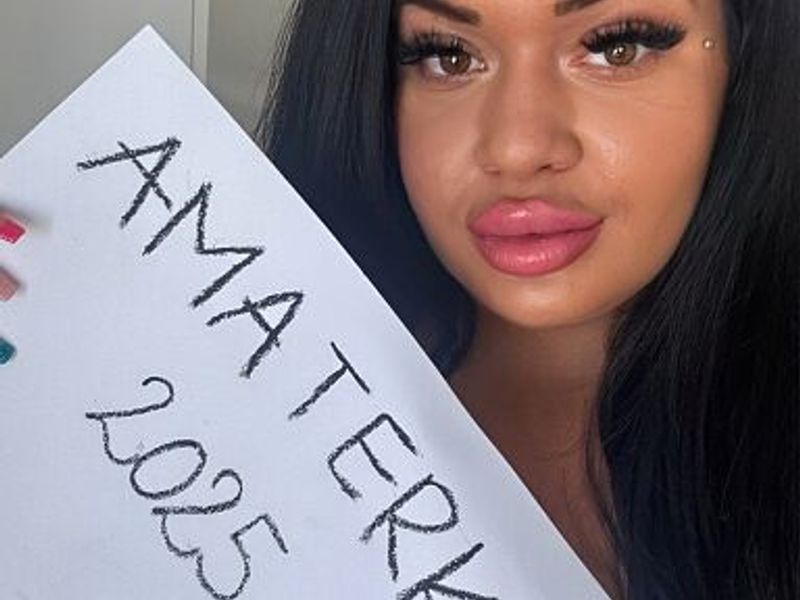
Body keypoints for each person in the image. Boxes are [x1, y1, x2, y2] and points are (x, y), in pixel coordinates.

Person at [255, 0, 799, 598]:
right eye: (447, 56)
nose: (516, 150)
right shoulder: (234, 426)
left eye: (617, 47)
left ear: (747, 56)